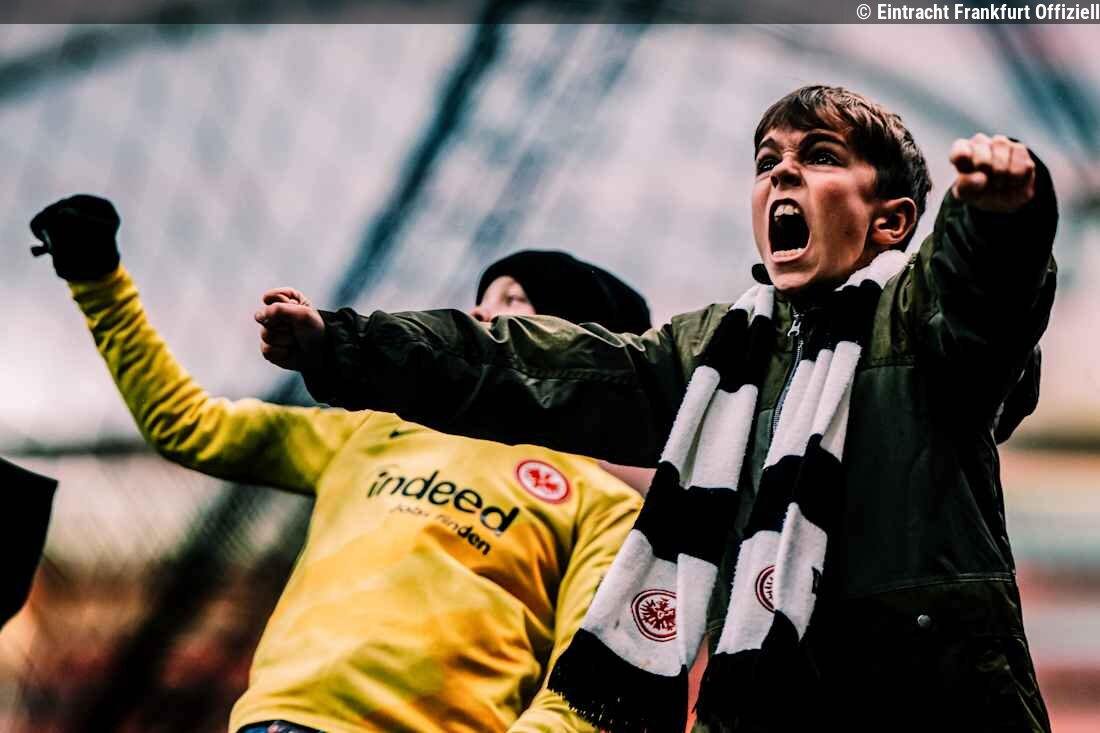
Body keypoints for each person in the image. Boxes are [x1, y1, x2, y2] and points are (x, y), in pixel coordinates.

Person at [254, 86, 1058, 732]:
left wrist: (1000, 219)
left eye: (818, 156)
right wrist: (345, 344)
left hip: (932, 705)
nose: (782, 173)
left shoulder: (923, 327)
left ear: (891, 221)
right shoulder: (711, 351)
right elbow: (527, 365)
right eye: (767, 160)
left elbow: (983, 297)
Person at [27, 196, 648, 733]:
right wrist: (100, 283)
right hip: (280, 720)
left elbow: (584, 687)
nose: (481, 313)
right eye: (482, 299)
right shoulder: (378, 429)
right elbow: (191, 426)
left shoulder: (603, 503)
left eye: (514, 300)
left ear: (577, 345)